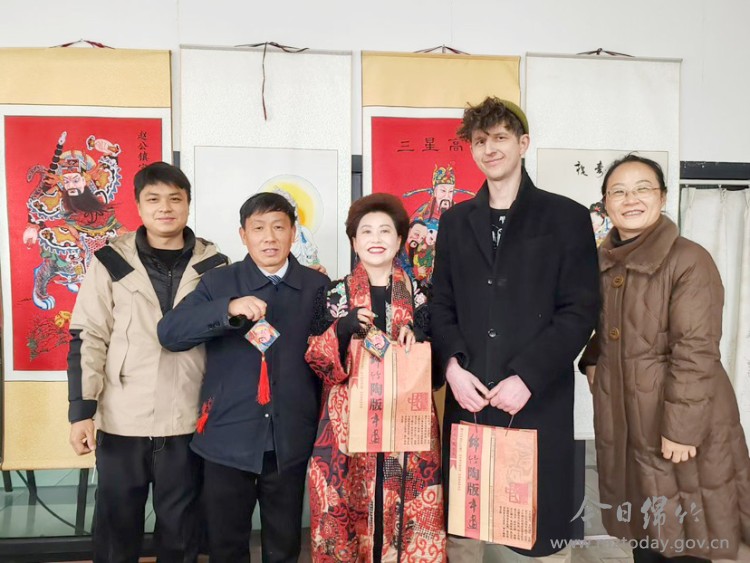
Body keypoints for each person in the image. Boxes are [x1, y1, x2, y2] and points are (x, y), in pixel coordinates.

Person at [430, 97, 599, 561]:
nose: (490, 149)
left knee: (533, 536)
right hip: (470, 399)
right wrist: (452, 368)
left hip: (536, 399)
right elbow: (440, 302)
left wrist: (527, 376)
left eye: (501, 137)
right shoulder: (455, 222)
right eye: (480, 140)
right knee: (468, 530)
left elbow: (579, 310)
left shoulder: (566, 217)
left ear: (523, 143)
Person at [580, 154, 750, 562]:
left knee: (688, 532)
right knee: (649, 529)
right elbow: (609, 326)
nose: (631, 199)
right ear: (605, 203)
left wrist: (682, 430)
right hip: (628, 419)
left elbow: (696, 350)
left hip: (677, 422)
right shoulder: (602, 262)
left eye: (643, 189)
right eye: (619, 191)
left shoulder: (688, 259)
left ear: (662, 196)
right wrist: (592, 358)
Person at [67, 161, 228, 562]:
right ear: (138, 206)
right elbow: (88, 336)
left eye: (175, 198)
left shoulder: (215, 266)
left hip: (188, 418)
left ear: (188, 204)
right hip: (123, 418)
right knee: (116, 530)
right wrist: (81, 412)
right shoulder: (110, 261)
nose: (165, 208)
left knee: (181, 532)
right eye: (153, 199)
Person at [157, 192, 329, 562]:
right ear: (243, 235)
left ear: (293, 232)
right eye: (258, 228)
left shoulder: (317, 288)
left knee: (284, 545)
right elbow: (170, 333)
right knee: (226, 545)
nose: (269, 238)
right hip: (227, 436)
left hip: (290, 439)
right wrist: (227, 309)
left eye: (279, 227)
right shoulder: (219, 283)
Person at [305, 193, 446, 562]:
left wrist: (421, 339)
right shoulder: (333, 294)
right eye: (366, 231)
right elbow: (316, 360)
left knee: (406, 505)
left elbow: (439, 369)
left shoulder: (423, 296)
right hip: (347, 424)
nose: (376, 238)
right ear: (354, 242)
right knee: (349, 506)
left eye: (385, 230)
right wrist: (342, 328)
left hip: (407, 420)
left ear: (400, 240)